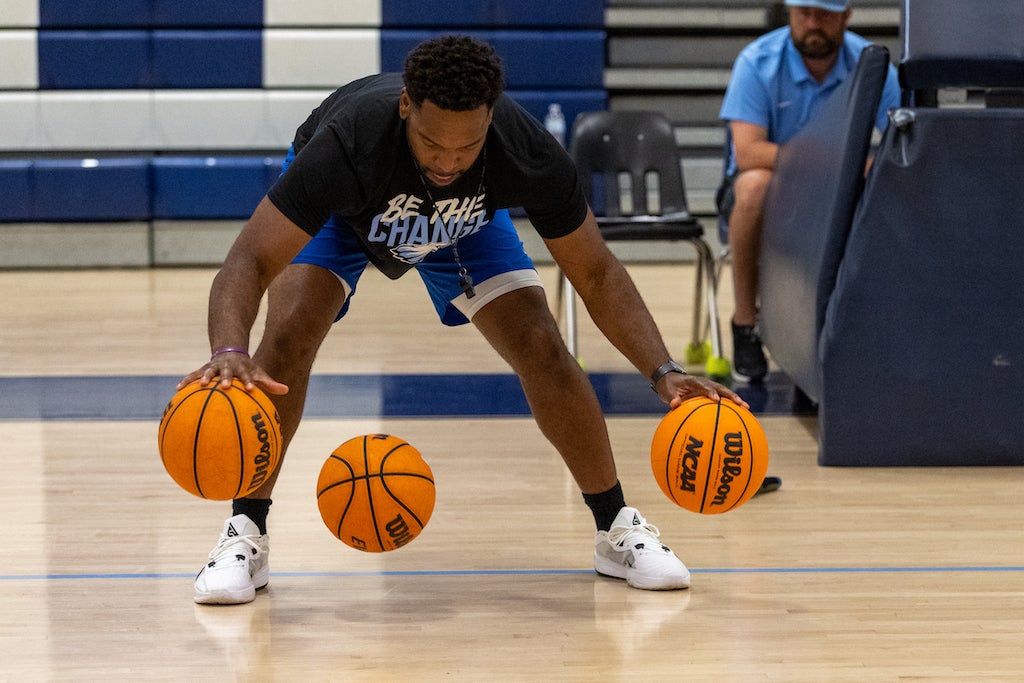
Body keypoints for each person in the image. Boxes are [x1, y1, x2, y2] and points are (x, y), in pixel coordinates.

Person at [180, 34, 748, 604]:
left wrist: (663, 369)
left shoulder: (526, 152)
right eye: (431, 144)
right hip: (347, 213)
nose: (448, 161)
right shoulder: (346, 145)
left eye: (467, 146)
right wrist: (228, 351)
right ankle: (244, 532)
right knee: (286, 338)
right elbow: (249, 259)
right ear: (406, 105)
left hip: (467, 222)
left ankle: (615, 527)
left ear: (491, 120)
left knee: (541, 342)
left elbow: (596, 273)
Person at [717, 0, 900, 382]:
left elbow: (901, 148)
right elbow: (749, 152)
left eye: (825, 15)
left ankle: (863, 331)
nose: (813, 24)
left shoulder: (874, 67)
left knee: (891, 188)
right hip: (773, 194)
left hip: (837, 196)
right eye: (804, 13)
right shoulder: (756, 62)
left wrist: (856, 170)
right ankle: (745, 323)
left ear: (847, 15)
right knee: (753, 185)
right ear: (789, 12)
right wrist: (835, 163)